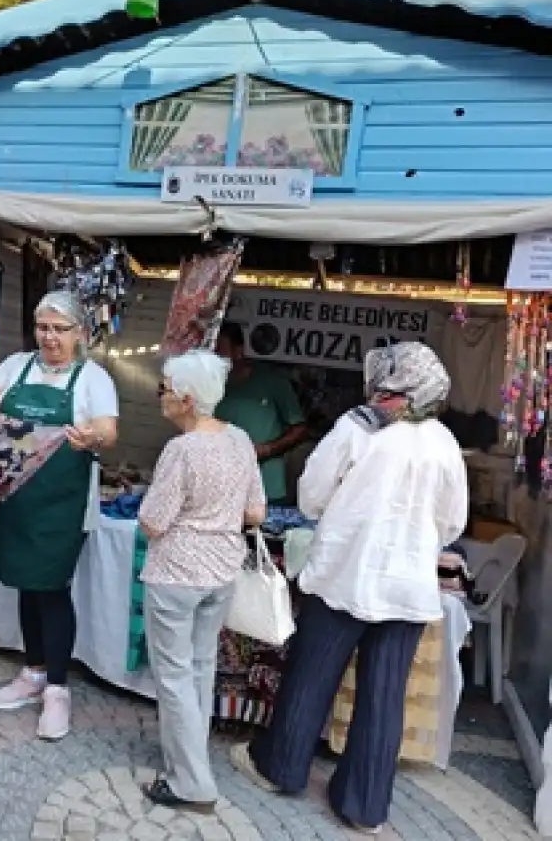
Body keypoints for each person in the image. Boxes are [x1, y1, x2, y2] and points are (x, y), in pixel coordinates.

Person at [231, 341, 469, 835]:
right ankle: (363, 806)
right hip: (407, 588)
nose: (378, 393)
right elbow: (453, 522)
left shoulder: (357, 429)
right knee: (384, 695)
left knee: (312, 674)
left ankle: (282, 767)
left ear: (401, 392)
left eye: (387, 387)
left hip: (345, 575)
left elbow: (312, 496)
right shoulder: (443, 441)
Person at [0, 291, 118, 741]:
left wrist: (89, 435)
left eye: (59, 329)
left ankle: (58, 688)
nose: (49, 337)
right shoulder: (15, 366)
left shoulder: (92, 378)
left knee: (52, 588)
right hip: (14, 499)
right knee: (26, 581)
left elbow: (110, 432)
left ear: (79, 333)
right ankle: (33, 671)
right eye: (43, 327)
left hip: (62, 504)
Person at [139, 350, 266, 814]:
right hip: (221, 570)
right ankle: (187, 761)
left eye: (165, 389)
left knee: (174, 676)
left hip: (177, 572)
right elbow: (256, 512)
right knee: (199, 669)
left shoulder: (183, 449)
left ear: (186, 399)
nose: (161, 398)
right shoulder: (240, 439)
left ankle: (192, 782)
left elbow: (153, 522)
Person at [215, 322, 306, 504]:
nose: (215, 357)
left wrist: (267, 449)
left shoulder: (274, 383)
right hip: (219, 485)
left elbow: (300, 429)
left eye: (220, 351)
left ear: (239, 351)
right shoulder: (209, 386)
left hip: (266, 486)